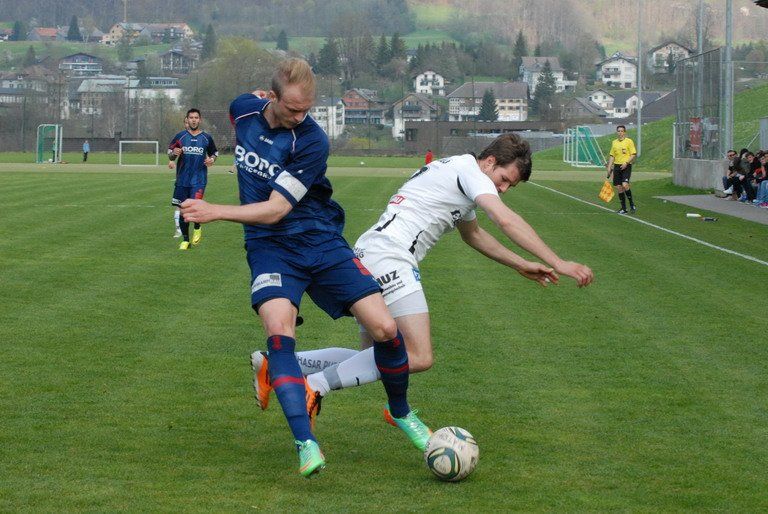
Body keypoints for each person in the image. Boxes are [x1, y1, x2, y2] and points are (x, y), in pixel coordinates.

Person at [179, 58, 429, 477]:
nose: (301, 117)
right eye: (293, 109)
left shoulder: (312, 140)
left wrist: (215, 211)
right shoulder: (243, 109)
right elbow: (243, 105)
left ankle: (401, 412)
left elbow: (277, 209)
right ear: (271, 97)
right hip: (269, 248)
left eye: (307, 109)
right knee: (279, 331)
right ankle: (305, 442)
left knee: (386, 329)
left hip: (319, 239)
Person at [254, 133, 594, 435]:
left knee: (375, 357)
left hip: (371, 252)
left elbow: (474, 235)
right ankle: (314, 386)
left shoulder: (459, 171)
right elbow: (504, 219)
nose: (503, 189)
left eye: (509, 187)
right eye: (504, 180)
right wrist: (558, 262)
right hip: (390, 256)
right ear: (490, 162)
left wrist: (521, 264)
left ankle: (278, 364)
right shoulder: (470, 173)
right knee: (417, 355)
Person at [168, 109, 218, 250]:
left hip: (199, 180)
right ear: (187, 120)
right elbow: (170, 153)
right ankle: (185, 240)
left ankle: (197, 226)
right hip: (182, 180)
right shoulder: (180, 136)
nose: (194, 120)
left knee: (195, 206)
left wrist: (212, 159)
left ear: (199, 120)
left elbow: (215, 152)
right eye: (191, 117)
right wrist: (174, 153)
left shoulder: (206, 138)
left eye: (196, 117)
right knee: (183, 210)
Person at [606, 125, 637, 214]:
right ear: (617, 132)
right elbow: (612, 156)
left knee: (625, 185)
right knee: (619, 187)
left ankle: (632, 204)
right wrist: (609, 167)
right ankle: (624, 209)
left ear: (624, 132)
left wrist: (626, 163)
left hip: (626, 166)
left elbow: (633, 154)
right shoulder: (614, 142)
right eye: (618, 131)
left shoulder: (629, 141)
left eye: (622, 131)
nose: (620, 133)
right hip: (617, 166)